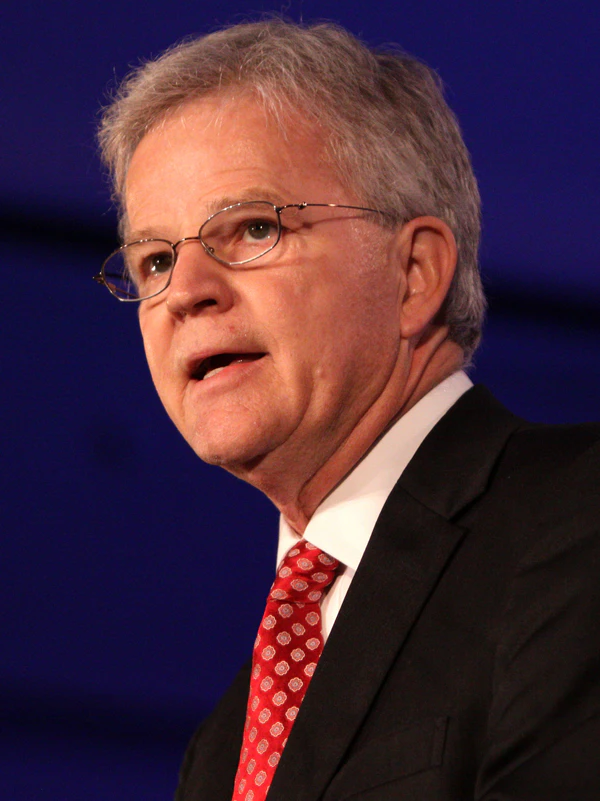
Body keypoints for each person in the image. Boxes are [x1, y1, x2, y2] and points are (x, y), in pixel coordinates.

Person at [94, 19, 600, 801]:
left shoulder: (576, 521)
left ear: (414, 272)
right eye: (155, 260)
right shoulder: (220, 749)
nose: (185, 292)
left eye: (253, 228)